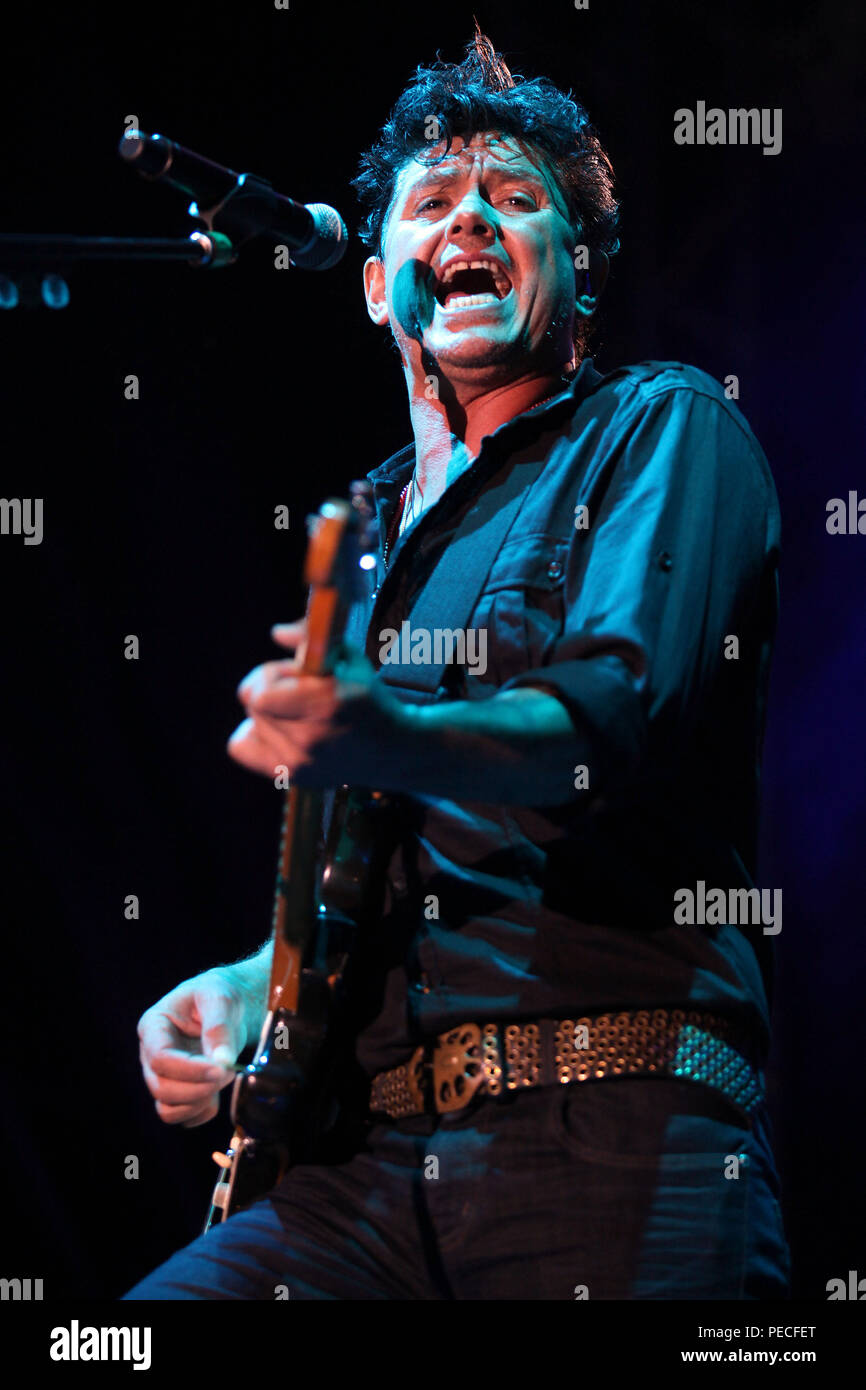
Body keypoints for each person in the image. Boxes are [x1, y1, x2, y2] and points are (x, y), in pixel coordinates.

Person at [124, 31, 790, 1300]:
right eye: (432, 202)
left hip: (613, 1127)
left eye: (514, 198)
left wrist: (387, 732)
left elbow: (602, 721)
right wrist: (249, 983)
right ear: (377, 283)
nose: (471, 216)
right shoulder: (365, 541)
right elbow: (371, 876)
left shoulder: (661, 428)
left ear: (575, 270)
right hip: (359, 1176)